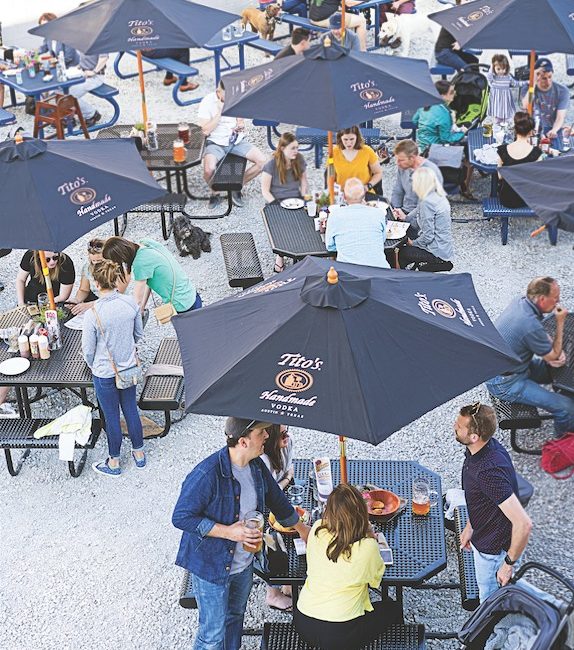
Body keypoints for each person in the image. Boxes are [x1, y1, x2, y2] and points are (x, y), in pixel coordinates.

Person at [172, 417, 310, 650]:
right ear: (243, 441)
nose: (267, 436)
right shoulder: (207, 474)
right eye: (261, 433)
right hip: (211, 568)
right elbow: (181, 517)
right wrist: (229, 532)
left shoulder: (255, 466)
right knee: (212, 635)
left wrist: (304, 530)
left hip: (243, 563)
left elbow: (277, 500)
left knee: (236, 617)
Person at [294, 484, 402, 650]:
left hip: (303, 622)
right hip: (340, 635)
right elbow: (375, 579)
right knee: (392, 608)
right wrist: (370, 537)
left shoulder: (317, 529)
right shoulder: (367, 547)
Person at [456, 402, 532, 603]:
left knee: (491, 608)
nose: (454, 426)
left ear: (474, 436)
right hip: (484, 538)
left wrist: (508, 564)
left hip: (494, 554)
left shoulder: (488, 472)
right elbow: (482, 499)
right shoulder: (481, 449)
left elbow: (523, 524)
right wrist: (471, 525)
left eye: (459, 426)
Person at [486, 277, 574, 437]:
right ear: (542, 299)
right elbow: (553, 356)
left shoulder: (520, 302)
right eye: (555, 299)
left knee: (563, 369)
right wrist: (560, 322)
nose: (558, 302)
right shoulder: (529, 325)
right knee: (567, 408)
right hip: (506, 383)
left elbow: (539, 331)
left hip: (507, 368)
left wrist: (551, 349)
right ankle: (562, 444)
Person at [82, 260, 145, 476]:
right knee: (130, 409)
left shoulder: (93, 313)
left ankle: (115, 461)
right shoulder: (130, 304)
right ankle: (139, 453)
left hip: (104, 371)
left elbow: (88, 350)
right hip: (128, 369)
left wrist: (93, 366)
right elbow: (138, 334)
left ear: (97, 284)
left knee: (111, 416)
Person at [197, 79, 266, 209]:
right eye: (226, 96)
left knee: (262, 162)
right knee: (208, 170)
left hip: (236, 141)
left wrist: (240, 123)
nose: (230, 99)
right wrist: (219, 113)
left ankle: (236, 186)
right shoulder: (207, 102)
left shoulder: (234, 97)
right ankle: (215, 191)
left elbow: (239, 116)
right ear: (218, 92)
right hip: (215, 142)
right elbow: (205, 131)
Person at [102, 236, 201, 314]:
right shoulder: (146, 243)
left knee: (192, 337)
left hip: (183, 305)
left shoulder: (140, 264)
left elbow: (137, 300)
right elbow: (148, 283)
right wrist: (142, 308)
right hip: (191, 294)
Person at [261, 132, 309, 273]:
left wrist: (305, 197)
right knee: (282, 227)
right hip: (277, 201)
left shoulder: (299, 160)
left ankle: (301, 251)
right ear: (282, 148)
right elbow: (265, 190)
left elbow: (304, 182)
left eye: (297, 148)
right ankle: (280, 257)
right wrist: (276, 204)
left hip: (296, 199)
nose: (296, 151)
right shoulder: (271, 165)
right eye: (293, 148)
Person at [261, 424, 295, 611]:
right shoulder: (262, 459)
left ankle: (288, 580)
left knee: (296, 525)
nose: (287, 436)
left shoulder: (287, 443)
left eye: (287, 430)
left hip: (279, 495)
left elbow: (289, 467)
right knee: (272, 539)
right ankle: (272, 593)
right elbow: (268, 496)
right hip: (264, 506)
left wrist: (284, 481)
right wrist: (286, 480)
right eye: (282, 434)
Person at [397, 166, 454, 271]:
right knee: (409, 231)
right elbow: (419, 208)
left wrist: (413, 243)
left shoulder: (427, 203)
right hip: (444, 248)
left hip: (436, 252)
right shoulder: (435, 194)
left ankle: (404, 278)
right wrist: (406, 217)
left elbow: (428, 236)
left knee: (401, 253)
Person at [326, 178, 390, 269]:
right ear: (364, 195)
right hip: (380, 273)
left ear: (344, 197)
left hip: (349, 275)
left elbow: (330, 246)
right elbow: (382, 240)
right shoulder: (378, 213)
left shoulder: (334, 215)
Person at [497, 111, 542, 208]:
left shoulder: (503, 150)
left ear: (515, 130)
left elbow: (500, 177)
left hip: (506, 199)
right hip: (527, 200)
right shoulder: (536, 153)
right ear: (531, 132)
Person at [390, 139, 443, 217]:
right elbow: (398, 191)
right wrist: (395, 211)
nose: (397, 163)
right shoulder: (403, 167)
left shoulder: (429, 172)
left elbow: (425, 206)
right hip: (406, 211)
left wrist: (407, 218)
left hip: (426, 217)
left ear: (412, 158)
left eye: (401, 160)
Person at [521, 58, 569, 141]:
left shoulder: (562, 91)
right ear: (537, 77)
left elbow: (560, 117)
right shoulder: (528, 89)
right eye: (544, 78)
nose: (548, 81)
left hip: (553, 128)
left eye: (550, 77)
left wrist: (554, 130)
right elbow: (526, 105)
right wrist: (533, 82)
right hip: (532, 129)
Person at [413, 80, 467, 152]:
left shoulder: (424, 104)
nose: (455, 93)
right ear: (441, 96)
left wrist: (430, 130)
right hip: (434, 149)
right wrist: (462, 133)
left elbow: (414, 120)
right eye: (451, 92)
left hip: (422, 146)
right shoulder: (443, 114)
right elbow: (446, 139)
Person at [333, 126, 382, 196]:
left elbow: (378, 172)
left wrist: (368, 186)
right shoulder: (334, 152)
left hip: (364, 194)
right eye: (345, 139)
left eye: (352, 139)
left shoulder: (367, 151)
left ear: (357, 137)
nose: (349, 143)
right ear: (340, 138)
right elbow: (330, 176)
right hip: (342, 195)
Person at [69, 50, 109, 128]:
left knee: (70, 96)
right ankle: (69, 115)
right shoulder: (84, 39)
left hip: (95, 76)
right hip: (82, 73)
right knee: (63, 90)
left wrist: (93, 72)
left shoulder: (99, 40)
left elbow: (104, 57)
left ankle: (92, 114)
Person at [68, 238, 104, 315]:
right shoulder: (87, 268)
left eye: (99, 261)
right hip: (95, 298)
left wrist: (90, 305)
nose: (95, 264)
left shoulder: (115, 269)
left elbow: (114, 297)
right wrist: (76, 300)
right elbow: (84, 290)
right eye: (93, 261)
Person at [486, 53, 522, 124]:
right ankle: (498, 121)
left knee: (506, 112)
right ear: (494, 68)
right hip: (496, 100)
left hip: (505, 99)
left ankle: (506, 122)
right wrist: (492, 67)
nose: (501, 71)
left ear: (507, 68)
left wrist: (525, 83)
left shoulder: (508, 77)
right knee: (497, 113)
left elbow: (515, 83)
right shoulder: (493, 78)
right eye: (498, 69)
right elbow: (489, 75)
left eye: (503, 68)